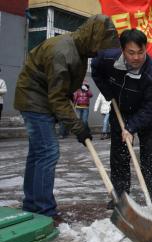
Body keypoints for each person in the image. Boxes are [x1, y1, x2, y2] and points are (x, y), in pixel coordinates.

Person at [14, 14, 119, 219]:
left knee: (38, 154)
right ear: (92, 37)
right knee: (47, 152)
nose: (99, 51)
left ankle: (33, 204)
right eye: (100, 45)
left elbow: (62, 89)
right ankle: (44, 210)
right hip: (34, 99)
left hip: (42, 99)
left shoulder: (79, 51)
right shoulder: (63, 51)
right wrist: (78, 126)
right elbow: (57, 97)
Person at [91, 28, 152, 207]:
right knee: (119, 154)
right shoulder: (108, 58)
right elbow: (95, 70)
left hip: (148, 114)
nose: (136, 57)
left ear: (146, 49)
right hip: (121, 109)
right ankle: (120, 195)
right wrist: (108, 92)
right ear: (122, 50)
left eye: (140, 52)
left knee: (149, 153)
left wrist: (131, 127)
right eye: (131, 52)